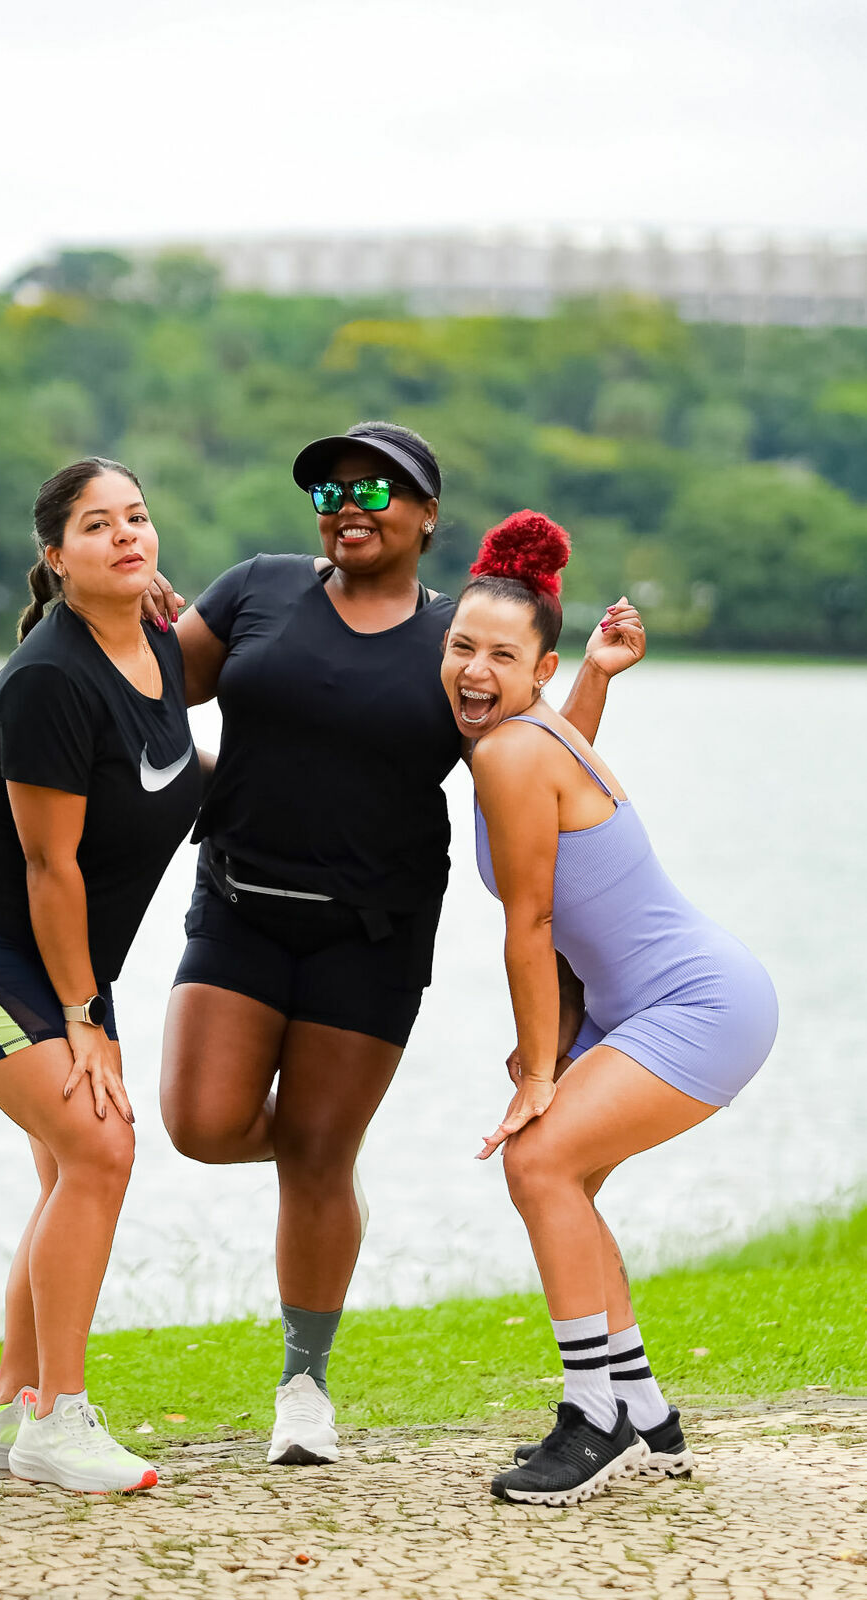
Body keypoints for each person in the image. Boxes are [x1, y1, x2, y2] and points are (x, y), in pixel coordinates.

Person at [159, 422, 646, 1466]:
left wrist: (594, 677)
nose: (349, 503)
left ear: (428, 516)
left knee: (319, 1154)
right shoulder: (257, 588)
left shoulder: (454, 639)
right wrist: (190, 782)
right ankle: (320, 1173)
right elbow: (150, 691)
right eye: (330, 489)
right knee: (200, 1123)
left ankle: (303, 1383)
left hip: (369, 937)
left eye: (377, 489)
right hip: (237, 907)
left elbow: (536, 761)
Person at [441, 510, 779, 1508]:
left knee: (538, 1156)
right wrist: (592, 678)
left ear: (533, 672)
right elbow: (555, 798)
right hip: (669, 1000)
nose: (473, 667)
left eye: (502, 654)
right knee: (564, 1176)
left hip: (694, 1002)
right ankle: (643, 1409)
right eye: (461, 644)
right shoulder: (529, 738)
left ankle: (593, 1417)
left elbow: (531, 916)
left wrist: (541, 1065)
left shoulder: (509, 752)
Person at [0, 458, 201, 1494]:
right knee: (101, 1149)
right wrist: (82, 1013)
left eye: (138, 518)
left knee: (75, 1162)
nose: (125, 535)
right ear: (54, 556)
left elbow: (167, 754)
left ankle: (7, 1412)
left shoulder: (159, 638)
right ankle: (59, 1421)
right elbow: (46, 863)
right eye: (96, 525)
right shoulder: (48, 679)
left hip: (60, 955)